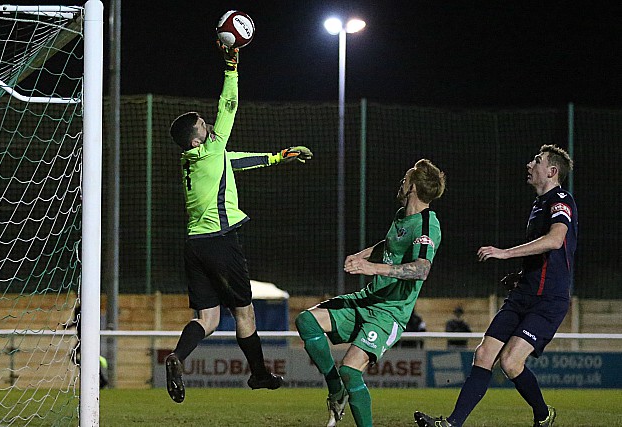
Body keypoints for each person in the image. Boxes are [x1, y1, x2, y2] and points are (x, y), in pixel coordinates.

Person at [165, 41, 313, 404]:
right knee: (244, 313)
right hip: (219, 242)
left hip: (195, 245)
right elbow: (228, 104)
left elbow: (238, 162)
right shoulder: (211, 148)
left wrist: (279, 157)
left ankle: (176, 357)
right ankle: (259, 374)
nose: (209, 121)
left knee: (209, 318)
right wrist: (232, 64)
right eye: (203, 123)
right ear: (198, 137)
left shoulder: (196, 160)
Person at [415, 144, 577, 427]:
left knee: (511, 363)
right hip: (523, 293)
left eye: (536, 161)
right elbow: (544, 256)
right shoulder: (539, 204)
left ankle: (543, 414)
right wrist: (520, 274)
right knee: (483, 353)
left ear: (551, 171)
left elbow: (555, 240)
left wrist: (504, 252)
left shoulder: (561, 199)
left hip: (548, 300)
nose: (529, 165)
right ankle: (452, 423)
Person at [295, 159, 446, 427]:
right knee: (306, 321)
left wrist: (371, 267)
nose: (401, 183)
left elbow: (421, 269)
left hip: (389, 313)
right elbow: (389, 245)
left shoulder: (427, 225)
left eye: (405, 178)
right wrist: (362, 255)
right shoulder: (402, 217)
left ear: (412, 187)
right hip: (367, 300)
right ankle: (335, 389)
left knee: (351, 371)